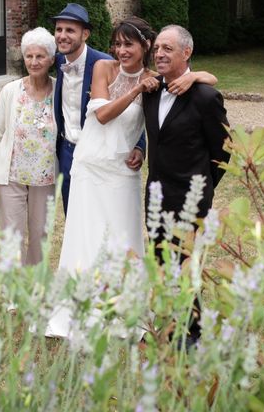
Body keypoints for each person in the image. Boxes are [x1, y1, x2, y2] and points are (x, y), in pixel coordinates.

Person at [45, 17, 217, 338]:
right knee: (87, 236)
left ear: (145, 47)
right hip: (91, 167)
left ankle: (124, 309)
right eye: (118, 44)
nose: (121, 50)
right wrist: (138, 87)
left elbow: (191, 83)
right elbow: (103, 114)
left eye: (129, 44)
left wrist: (199, 77)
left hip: (124, 172)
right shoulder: (105, 70)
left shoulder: (156, 79)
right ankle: (81, 306)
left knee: (124, 239)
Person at [142, 24, 231, 344]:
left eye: (168, 48)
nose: (160, 54)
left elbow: (223, 150)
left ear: (186, 53)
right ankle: (166, 323)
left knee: (185, 265)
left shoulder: (205, 96)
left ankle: (192, 333)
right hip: (155, 195)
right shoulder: (151, 92)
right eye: (157, 49)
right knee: (161, 261)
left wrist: (202, 186)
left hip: (189, 197)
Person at [51, 3, 145, 213]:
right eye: (59, 29)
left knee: (104, 216)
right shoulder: (57, 60)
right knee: (74, 217)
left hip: (101, 154)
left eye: (70, 30)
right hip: (67, 150)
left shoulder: (106, 64)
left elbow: (131, 106)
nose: (62, 36)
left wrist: (139, 146)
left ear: (85, 34)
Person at [0, 27, 57, 266]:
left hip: (45, 179)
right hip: (11, 176)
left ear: (51, 59)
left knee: (40, 235)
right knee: (11, 236)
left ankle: (35, 288)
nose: (34, 62)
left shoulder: (60, 91)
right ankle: (14, 293)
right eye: (29, 56)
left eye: (40, 56)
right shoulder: (10, 91)